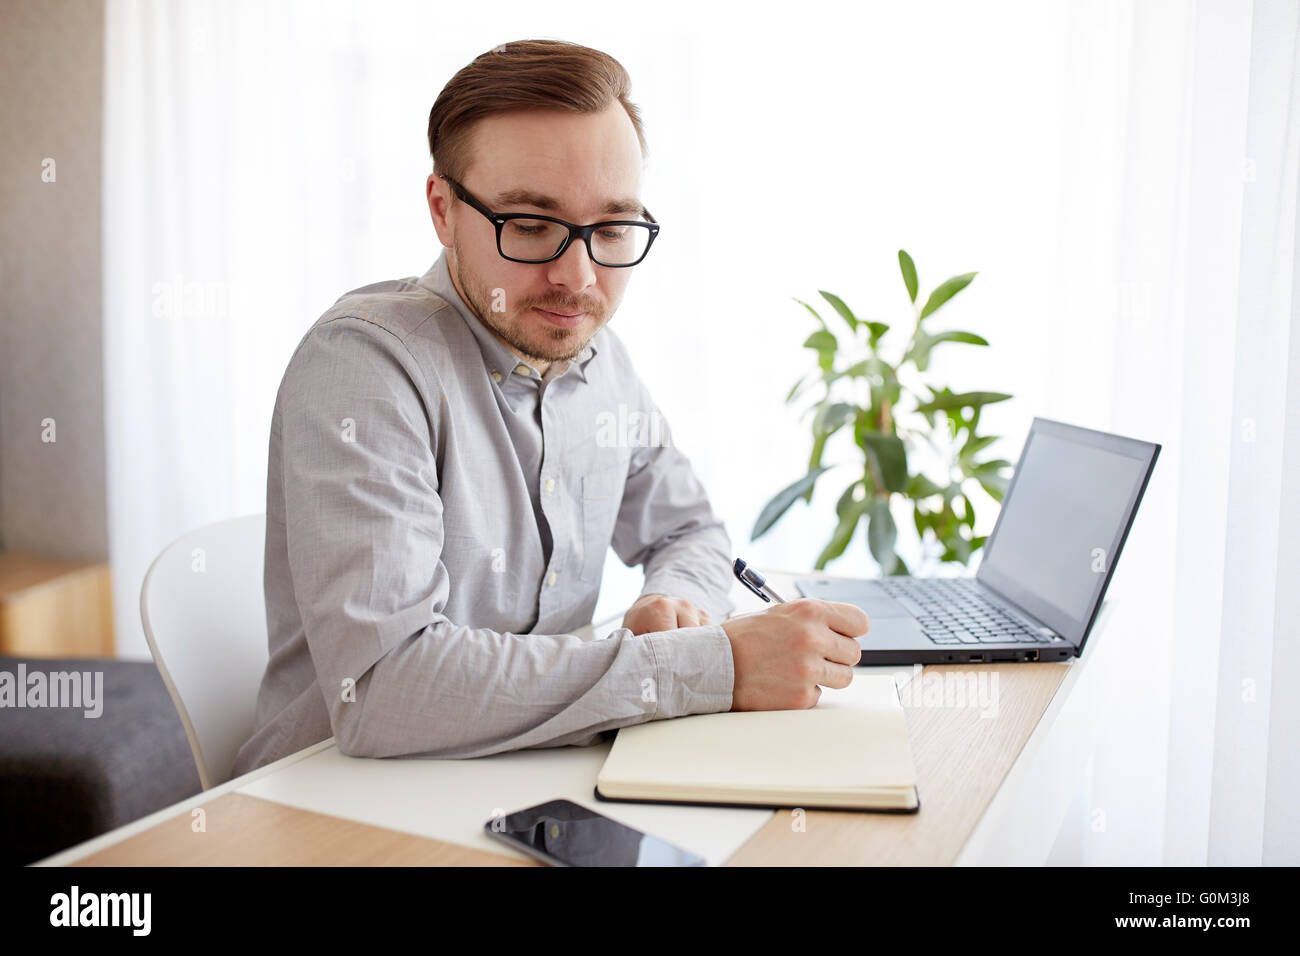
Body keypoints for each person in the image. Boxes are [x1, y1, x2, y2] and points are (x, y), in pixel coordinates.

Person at [232, 38, 867, 776]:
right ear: (443, 210)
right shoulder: (365, 365)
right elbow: (384, 687)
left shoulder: (598, 358)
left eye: (612, 229)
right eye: (532, 226)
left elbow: (689, 530)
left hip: (529, 777)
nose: (578, 277)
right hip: (333, 800)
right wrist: (712, 665)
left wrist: (675, 604)